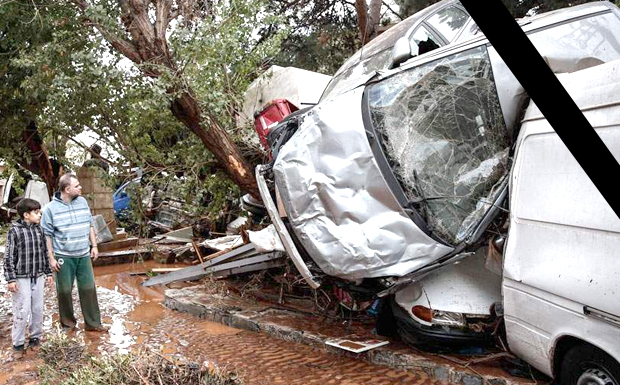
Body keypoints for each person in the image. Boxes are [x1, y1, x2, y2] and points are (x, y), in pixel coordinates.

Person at [41, 173, 107, 332]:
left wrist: (94, 246)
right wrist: (51, 258)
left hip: (83, 254)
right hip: (63, 256)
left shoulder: (83, 202)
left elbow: (90, 224)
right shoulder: (50, 209)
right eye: (77, 186)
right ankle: (68, 324)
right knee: (64, 291)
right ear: (67, 189)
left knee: (88, 288)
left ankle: (93, 324)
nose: (80, 187)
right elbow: (47, 236)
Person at [4, 198, 53, 357]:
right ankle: (18, 344)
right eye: (36, 212)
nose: (40, 215)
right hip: (21, 277)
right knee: (22, 309)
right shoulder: (15, 230)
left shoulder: (39, 229)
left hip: (38, 275)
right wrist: (11, 279)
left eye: (39, 212)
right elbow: (9, 256)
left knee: (37, 308)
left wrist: (48, 272)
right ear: (26, 214)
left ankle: (35, 338)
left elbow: (44, 252)